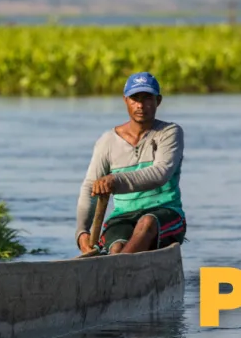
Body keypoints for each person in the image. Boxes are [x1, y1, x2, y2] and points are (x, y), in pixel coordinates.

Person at [75, 71, 186, 255]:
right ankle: (119, 264)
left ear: (158, 101)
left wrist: (114, 180)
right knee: (116, 248)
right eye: (135, 99)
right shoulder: (107, 141)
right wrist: (82, 232)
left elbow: (160, 173)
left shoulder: (169, 133)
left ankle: (119, 268)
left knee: (146, 223)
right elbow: (90, 187)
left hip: (165, 212)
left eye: (147, 98)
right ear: (125, 100)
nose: (140, 105)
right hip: (123, 216)